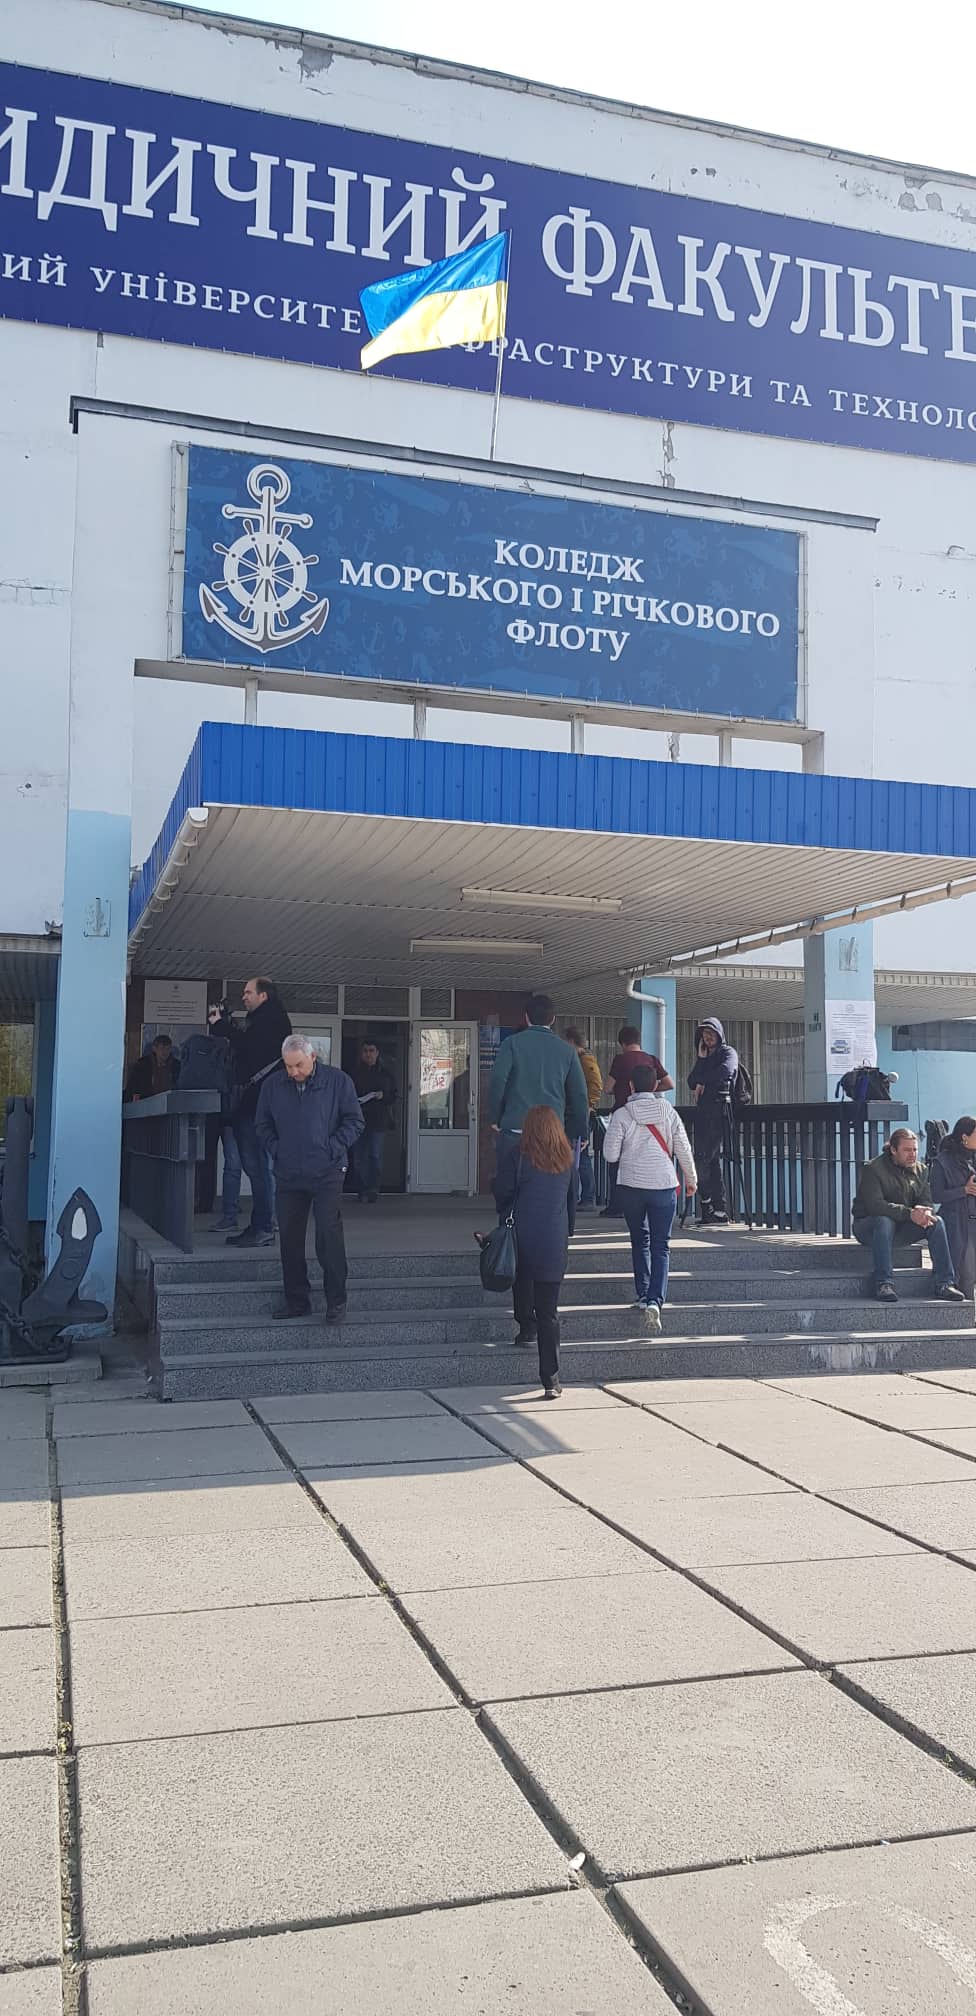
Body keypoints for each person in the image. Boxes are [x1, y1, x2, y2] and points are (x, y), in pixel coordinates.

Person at [255, 1034, 364, 1323]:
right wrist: (277, 1150)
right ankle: (296, 1301)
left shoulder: (338, 1082)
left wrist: (332, 1148)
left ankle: (336, 1302)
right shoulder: (272, 1086)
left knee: (328, 1236)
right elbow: (262, 1124)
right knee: (290, 1239)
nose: (293, 1072)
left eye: (299, 1065)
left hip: (327, 1171)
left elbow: (355, 1121)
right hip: (288, 1173)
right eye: (288, 1066)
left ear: (313, 1057)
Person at [603, 1066, 697, 1333]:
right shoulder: (669, 1112)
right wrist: (691, 1179)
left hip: (631, 1187)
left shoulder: (622, 1114)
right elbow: (683, 1149)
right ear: (656, 1086)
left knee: (639, 1239)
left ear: (631, 1086)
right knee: (661, 1245)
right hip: (663, 1187)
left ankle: (643, 1294)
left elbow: (610, 1155)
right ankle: (656, 1300)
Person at [494, 1105, 575, 1400]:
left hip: (522, 1236)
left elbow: (503, 1192)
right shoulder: (566, 1160)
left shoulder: (518, 1156)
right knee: (549, 1312)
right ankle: (551, 1378)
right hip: (553, 1239)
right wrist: (567, 1231)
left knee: (522, 1284)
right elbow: (572, 1201)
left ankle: (525, 1326)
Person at [488, 994, 588, 1220]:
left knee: (509, 1188)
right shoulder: (567, 1051)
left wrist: (496, 1117)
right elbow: (579, 1095)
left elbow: (497, 1081)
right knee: (550, 1190)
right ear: (553, 1019)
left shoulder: (512, 1044)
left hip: (515, 1128)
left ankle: (509, 1232)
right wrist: (580, 1131)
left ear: (526, 1017)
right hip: (552, 1132)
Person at [210, 978, 292, 1247]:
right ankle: (260, 1224)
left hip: (258, 1104)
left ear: (263, 996)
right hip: (256, 1102)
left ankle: (264, 1227)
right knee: (255, 1166)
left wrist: (222, 1026)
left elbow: (250, 1047)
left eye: (248, 992)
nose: (244, 997)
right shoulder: (265, 1019)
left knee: (257, 1166)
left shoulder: (271, 1020)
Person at [852, 1127, 965, 1304]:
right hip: (868, 1227)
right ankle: (883, 1283)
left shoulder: (921, 1169)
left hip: (902, 1226)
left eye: (915, 1150)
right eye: (907, 1150)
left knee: (936, 1222)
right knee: (884, 1221)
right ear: (893, 1150)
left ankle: (944, 1283)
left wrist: (925, 1212)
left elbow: (927, 1201)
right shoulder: (872, 1169)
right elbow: (875, 1206)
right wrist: (910, 1213)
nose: (912, 1155)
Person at [600, 1025, 673, 1217]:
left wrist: (622, 1090)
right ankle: (643, 1203)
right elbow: (669, 1084)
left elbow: (607, 1088)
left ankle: (617, 1206)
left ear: (622, 1043)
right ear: (638, 1041)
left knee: (616, 1161)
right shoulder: (651, 1059)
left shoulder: (620, 1060)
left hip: (623, 1113)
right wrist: (650, 1089)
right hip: (648, 1117)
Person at [686, 1017, 738, 1225]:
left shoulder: (728, 1052)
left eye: (711, 1033)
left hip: (719, 1113)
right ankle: (717, 1210)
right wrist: (701, 1060)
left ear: (719, 1034)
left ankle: (709, 1205)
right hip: (704, 1115)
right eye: (704, 1034)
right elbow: (691, 1081)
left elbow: (726, 1071)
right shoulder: (705, 1058)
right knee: (711, 1161)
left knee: (703, 1159)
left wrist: (702, 1081)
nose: (707, 1037)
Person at [931, 1117, 976, 1298]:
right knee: (966, 1272)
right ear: (965, 1137)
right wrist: (964, 1190)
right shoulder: (942, 1161)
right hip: (957, 1223)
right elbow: (936, 1195)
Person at [350, 1040, 398, 1202]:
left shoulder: (386, 1074)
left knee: (375, 1156)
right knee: (358, 1158)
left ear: (377, 1053)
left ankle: (373, 1189)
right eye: (365, 1051)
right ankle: (361, 1190)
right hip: (358, 1120)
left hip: (378, 1121)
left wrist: (383, 1095)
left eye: (371, 1051)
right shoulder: (354, 1073)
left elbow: (394, 1096)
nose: (368, 1054)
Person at [564, 1027, 602, 1210]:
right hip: (576, 1112)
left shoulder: (585, 1060)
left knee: (582, 1154)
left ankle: (587, 1197)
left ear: (571, 1041)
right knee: (578, 1153)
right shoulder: (579, 1059)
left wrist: (588, 1105)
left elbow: (596, 1084)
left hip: (581, 1114)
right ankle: (583, 1196)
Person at [125, 1033, 179, 1101]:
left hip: (169, 1102)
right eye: (162, 1048)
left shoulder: (176, 1065)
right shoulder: (143, 1065)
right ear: (154, 1048)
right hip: (147, 1102)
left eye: (168, 1049)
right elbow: (133, 1086)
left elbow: (178, 1086)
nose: (165, 1052)